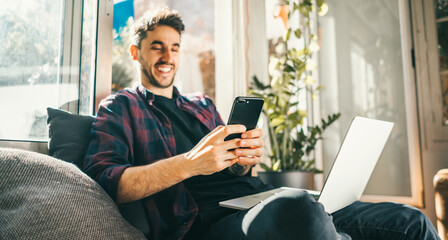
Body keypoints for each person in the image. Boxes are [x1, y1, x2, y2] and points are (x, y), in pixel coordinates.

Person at [83, 7, 440, 240]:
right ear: (136, 53)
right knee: (302, 208)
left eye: (174, 47)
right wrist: (189, 164)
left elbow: (236, 172)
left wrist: (244, 159)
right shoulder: (120, 107)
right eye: (157, 46)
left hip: (253, 198)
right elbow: (108, 182)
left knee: (411, 221)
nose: (168, 56)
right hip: (203, 224)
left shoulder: (201, 104)